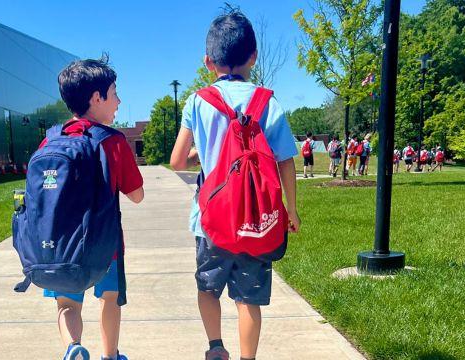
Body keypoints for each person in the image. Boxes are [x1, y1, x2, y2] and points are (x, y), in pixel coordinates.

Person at [170, 8, 300, 360]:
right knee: (248, 299)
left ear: (208, 61)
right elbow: (286, 160)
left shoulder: (198, 101)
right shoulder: (267, 102)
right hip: (256, 220)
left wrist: (204, 155)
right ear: (254, 57)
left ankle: (215, 347)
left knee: (208, 288)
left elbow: (177, 161)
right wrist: (292, 210)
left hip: (211, 219)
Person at [39, 58, 144, 360]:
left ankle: (73, 347)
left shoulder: (51, 138)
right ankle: (110, 355)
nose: (118, 101)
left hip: (60, 245)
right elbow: (136, 195)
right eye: (114, 93)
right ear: (97, 98)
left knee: (67, 305)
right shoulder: (113, 141)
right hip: (104, 243)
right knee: (110, 299)